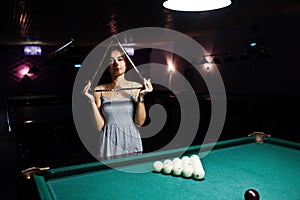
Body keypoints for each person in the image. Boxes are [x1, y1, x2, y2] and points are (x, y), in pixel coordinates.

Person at [82, 46, 153, 160]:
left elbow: (139, 123)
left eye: (120, 59)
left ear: (126, 63)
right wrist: (91, 100)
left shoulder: (135, 87)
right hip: (108, 142)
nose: (116, 63)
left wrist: (141, 97)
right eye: (111, 60)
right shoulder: (99, 90)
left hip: (131, 139)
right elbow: (99, 126)